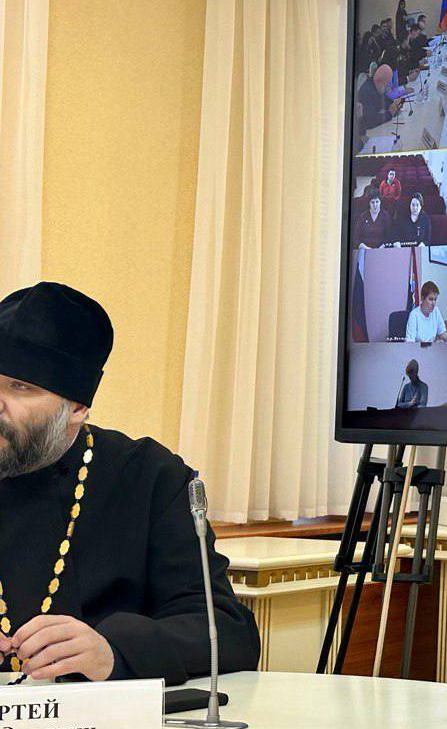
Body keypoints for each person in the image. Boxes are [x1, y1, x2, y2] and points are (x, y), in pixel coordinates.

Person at [0, 282, 259, 684]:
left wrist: (113, 652)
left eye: (21, 387)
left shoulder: (149, 477)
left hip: (102, 718)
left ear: (77, 407)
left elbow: (226, 632)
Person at [355, 63, 402, 136]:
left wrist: (393, 104)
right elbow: (370, 121)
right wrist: (389, 114)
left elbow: (382, 99)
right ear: (380, 81)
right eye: (386, 84)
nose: (387, 87)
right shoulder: (368, 92)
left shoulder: (374, 83)